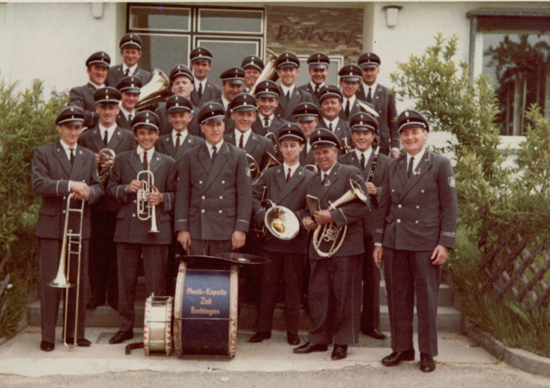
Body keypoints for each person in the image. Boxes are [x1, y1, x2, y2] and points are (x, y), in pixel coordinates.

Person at [373, 109, 457, 373]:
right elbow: (384, 205)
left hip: (425, 242)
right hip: (395, 241)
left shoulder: (440, 163)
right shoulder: (392, 165)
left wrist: (445, 242)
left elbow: (450, 206)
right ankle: (402, 348)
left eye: (415, 132)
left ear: (425, 135)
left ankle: (427, 353)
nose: (410, 138)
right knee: (398, 298)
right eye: (405, 133)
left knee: (426, 300)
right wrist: (378, 241)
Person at [32, 106, 104, 352]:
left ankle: (75, 333)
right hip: (52, 226)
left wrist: (88, 193)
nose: (73, 131)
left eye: (77, 127)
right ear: (59, 128)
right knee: (50, 283)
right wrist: (69, 184)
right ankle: (48, 337)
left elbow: (98, 187)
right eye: (69, 127)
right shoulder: (43, 152)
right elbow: (39, 183)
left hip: (78, 224)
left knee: (78, 281)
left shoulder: (87, 154)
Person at [294, 128, 369, 361]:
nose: (321, 157)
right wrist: (307, 220)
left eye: (325, 151)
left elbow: (363, 205)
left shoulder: (350, 172)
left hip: (346, 246)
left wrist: (334, 217)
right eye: (317, 153)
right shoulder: (313, 178)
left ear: (335, 151)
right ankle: (318, 339)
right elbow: (310, 210)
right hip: (320, 247)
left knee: (344, 295)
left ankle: (342, 342)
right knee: (318, 294)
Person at [107, 111, 177, 344]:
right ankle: (125, 327)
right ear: (135, 136)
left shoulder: (168, 162)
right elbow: (110, 190)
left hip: (157, 227)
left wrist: (163, 198)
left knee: (156, 282)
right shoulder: (122, 159)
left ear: (157, 134)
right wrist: (126, 189)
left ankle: (155, 327)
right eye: (141, 133)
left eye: (150, 132)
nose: (146, 137)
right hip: (128, 226)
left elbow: (178, 194)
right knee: (125, 280)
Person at [248, 123, 314, 346]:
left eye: (293, 146)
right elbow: (253, 198)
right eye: (285, 146)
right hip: (270, 240)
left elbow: (311, 207)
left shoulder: (309, 177)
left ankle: (293, 331)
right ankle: (263, 328)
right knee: (267, 285)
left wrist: (289, 217)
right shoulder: (269, 173)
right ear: (280, 149)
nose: (289, 150)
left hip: (295, 241)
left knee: (293, 287)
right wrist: (263, 216)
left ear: (302, 147)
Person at [78, 87, 137, 311]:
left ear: (118, 108)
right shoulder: (85, 137)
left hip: (117, 204)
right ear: (97, 109)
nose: (108, 111)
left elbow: (132, 167)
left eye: (112, 107)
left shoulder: (129, 136)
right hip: (94, 203)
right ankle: (95, 293)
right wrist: (89, 164)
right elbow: (78, 172)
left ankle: (114, 294)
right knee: (95, 250)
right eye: (103, 107)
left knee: (116, 251)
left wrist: (116, 166)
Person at [174, 103, 252, 256]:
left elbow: (245, 196)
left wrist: (241, 229)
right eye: (210, 125)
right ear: (202, 128)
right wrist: (182, 228)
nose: (215, 129)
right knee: (199, 275)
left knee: (223, 277)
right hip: (197, 229)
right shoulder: (190, 155)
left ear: (224, 126)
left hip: (227, 229)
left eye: (218, 124)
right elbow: (183, 195)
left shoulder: (238, 155)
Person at [337, 112, 390, 340]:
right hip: (349, 228)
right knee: (349, 280)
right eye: (357, 133)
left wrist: (377, 190)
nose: (361, 137)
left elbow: (394, 192)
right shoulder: (343, 160)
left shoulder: (386, 162)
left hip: (372, 228)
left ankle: (371, 325)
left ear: (373, 136)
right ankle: (348, 325)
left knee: (371, 279)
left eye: (366, 133)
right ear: (352, 135)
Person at [356, 52, 399, 158]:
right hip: (358, 144)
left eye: (372, 70)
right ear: (361, 71)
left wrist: (395, 147)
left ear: (378, 70)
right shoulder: (354, 93)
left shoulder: (388, 93)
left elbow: (393, 122)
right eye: (366, 70)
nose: (369, 73)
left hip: (382, 145)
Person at [224, 93, 275, 171]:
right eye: (241, 114)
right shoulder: (223, 141)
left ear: (254, 117)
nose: (245, 118)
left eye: (249, 115)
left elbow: (269, 176)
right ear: (233, 115)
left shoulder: (265, 144)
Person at [155, 95, 205, 162]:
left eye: (182, 116)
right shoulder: (159, 142)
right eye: (174, 116)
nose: (178, 119)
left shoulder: (199, 143)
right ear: (169, 118)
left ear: (190, 117)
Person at [155, 64, 200, 137]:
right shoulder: (160, 113)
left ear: (192, 87)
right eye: (177, 83)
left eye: (184, 82)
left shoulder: (199, 114)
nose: (181, 86)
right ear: (172, 88)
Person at [68, 51, 110, 129]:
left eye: (104, 69)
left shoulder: (114, 94)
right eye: (97, 68)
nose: (100, 73)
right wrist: (107, 116)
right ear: (88, 70)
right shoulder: (78, 92)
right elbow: (74, 113)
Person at [274, 51, 314, 122]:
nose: (288, 73)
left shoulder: (306, 97)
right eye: (285, 70)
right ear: (279, 73)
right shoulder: (273, 95)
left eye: (291, 70)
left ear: (296, 73)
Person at [316, 85, 352, 150]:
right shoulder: (315, 128)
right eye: (326, 103)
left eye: (333, 103)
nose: (329, 106)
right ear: (320, 107)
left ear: (340, 106)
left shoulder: (349, 128)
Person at [293, 102, 319, 168]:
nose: (305, 125)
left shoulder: (322, 142)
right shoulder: (289, 143)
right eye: (301, 122)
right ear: (296, 121)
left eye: (309, 121)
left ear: (316, 122)